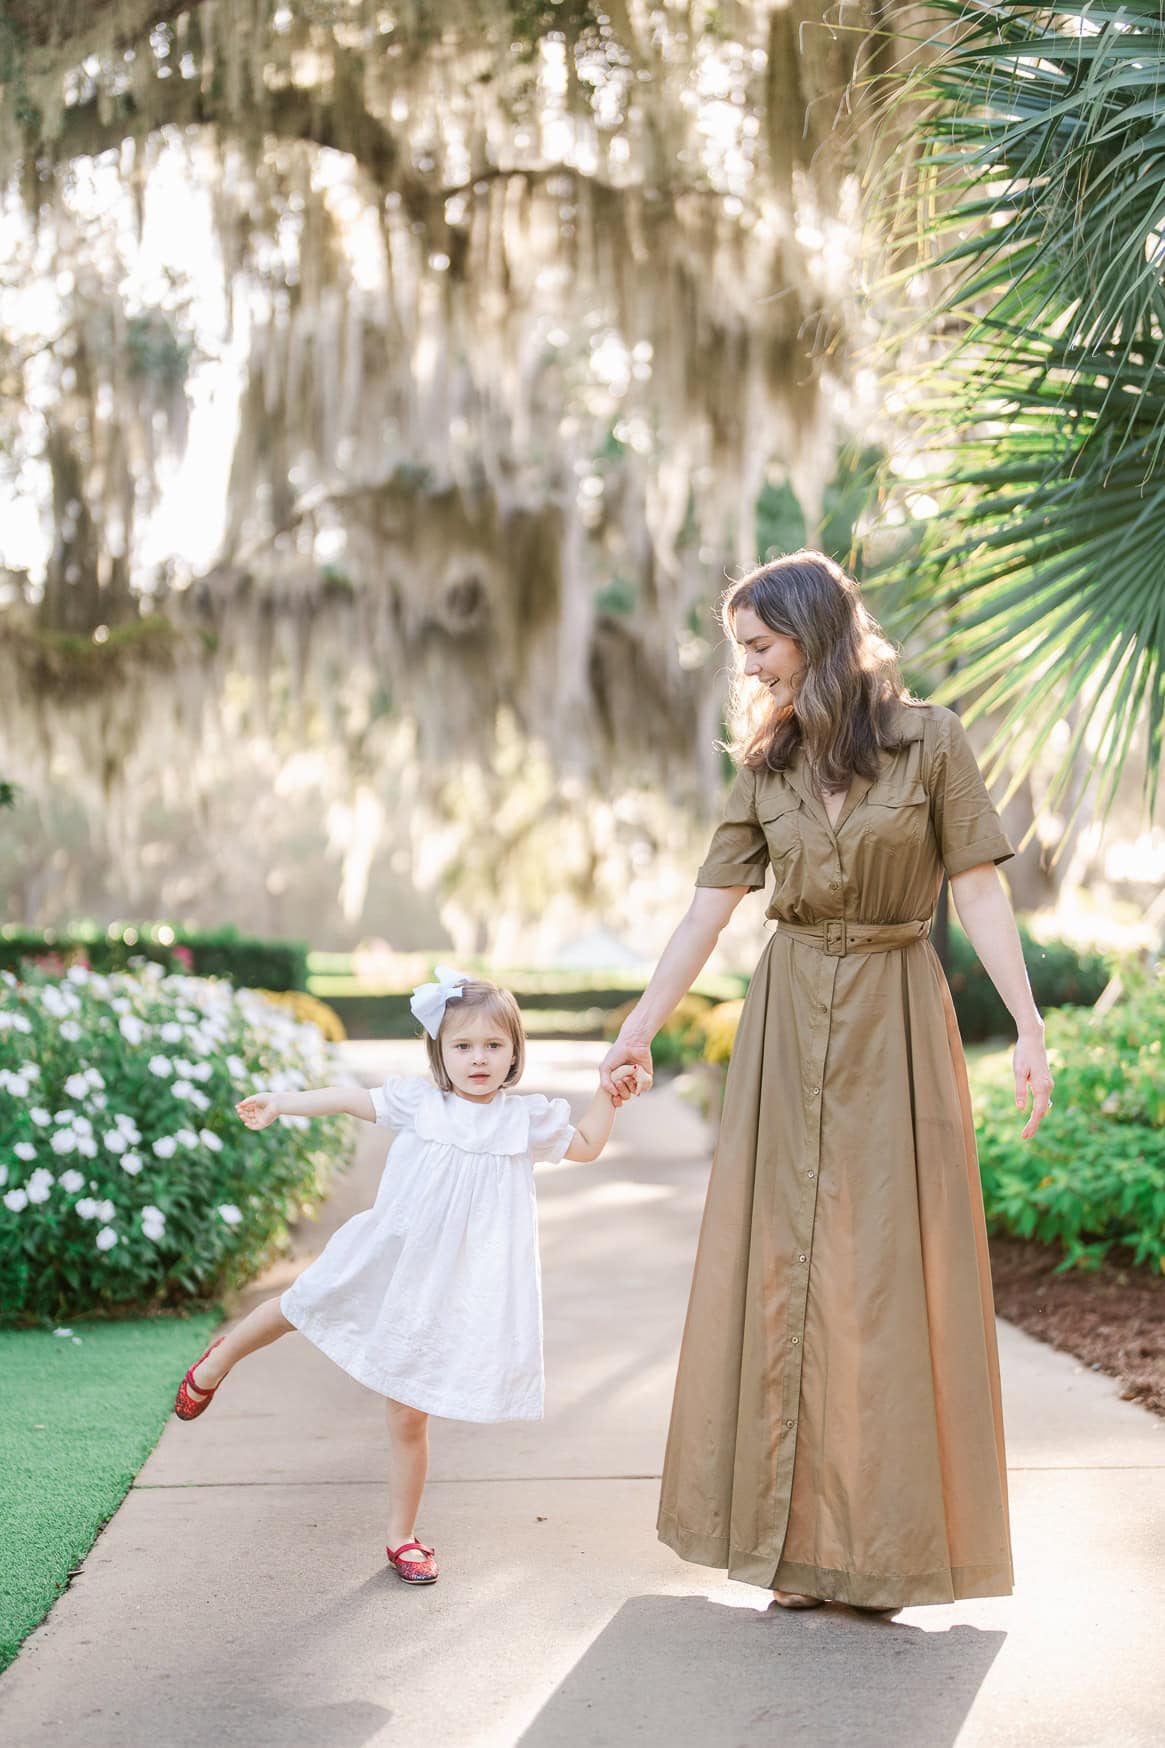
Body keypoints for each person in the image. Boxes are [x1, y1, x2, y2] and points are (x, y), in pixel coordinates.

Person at [600, 550, 1054, 1614]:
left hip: (896, 1012)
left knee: (882, 1278)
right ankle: (794, 1548)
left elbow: (979, 891)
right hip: (789, 1018)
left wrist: (1028, 1022)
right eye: (741, 650)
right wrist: (636, 1028)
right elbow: (705, 914)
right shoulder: (763, 767)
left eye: (758, 644)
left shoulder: (930, 740)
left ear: (814, 630)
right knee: (786, 1274)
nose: (747, 667)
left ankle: (880, 1552)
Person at [174, 967, 648, 1585]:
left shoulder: (522, 1119)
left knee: (408, 1415)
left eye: (493, 1046)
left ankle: (402, 1536)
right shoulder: (421, 1102)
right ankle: (216, 1362)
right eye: (463, 1046)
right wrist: (282, 1104)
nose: (478, 1059)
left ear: (513, 1055)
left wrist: (609, 1095)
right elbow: (348, 1099)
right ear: (440, 1052)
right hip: (389, 1251)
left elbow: (585, 1144)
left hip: (448, 1286)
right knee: (301, 1304)